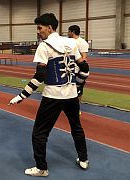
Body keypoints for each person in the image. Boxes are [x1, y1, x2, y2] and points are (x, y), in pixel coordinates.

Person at [9, 13, 89, 177]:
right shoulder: (71, 43)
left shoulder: (44, 46)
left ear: (50, 27)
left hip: (53, 96)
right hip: (72, 96)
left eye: (40, 28)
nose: (38, 32)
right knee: (76, 127)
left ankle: (41, 168)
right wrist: (78, 88)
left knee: (39, 133)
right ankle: (84, 159)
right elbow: (85, 69)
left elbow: (40, 76)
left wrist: (22, 96)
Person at [68, 25, 90, 99]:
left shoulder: (82, 42)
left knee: (78, 90)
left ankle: (77, 109)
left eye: (69, 31)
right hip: (69, 69)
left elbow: (84, 57)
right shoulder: (69, 41)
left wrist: (81, 70)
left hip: (76, 70)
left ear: (72, 32)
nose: (68, 33)